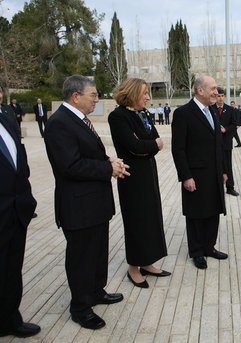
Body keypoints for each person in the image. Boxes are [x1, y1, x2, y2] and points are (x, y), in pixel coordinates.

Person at [44, 75, 129, 330]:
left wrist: (109, 163)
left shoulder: (78, 119)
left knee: (98, 251)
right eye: (93, 95)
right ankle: (80, 307)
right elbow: (69, 165)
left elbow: (87, 155)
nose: (97, 99)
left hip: (95, 204)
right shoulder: (60, 123)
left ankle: (95, 291)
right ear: (75, 96)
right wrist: (107, 168)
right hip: (78, 206)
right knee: (81, 258)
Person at [108, 78, 170, 288]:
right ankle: (133, 268)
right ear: (133, 93)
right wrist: (148, 145)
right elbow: (134, 145)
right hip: (132, 177)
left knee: (151, 218)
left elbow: (154, 140)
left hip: (148, 172)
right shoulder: (118, 116)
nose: (147, 97)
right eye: (144, 93)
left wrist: (148, 145)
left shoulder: (141, 114)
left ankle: (148, 262)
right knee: (136, 221)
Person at [171, 76, 228, 270]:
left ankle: (209, 247)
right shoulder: (183, 113)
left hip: (214, 173)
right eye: (212, 89)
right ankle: (196, 251)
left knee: (213, 211)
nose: (216, 92)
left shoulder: (213, 110)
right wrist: (186, 176)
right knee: (196, 214)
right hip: (195, 175)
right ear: (200, 90)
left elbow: (218, 143)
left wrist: (224, 170)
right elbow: (178, 149)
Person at [0, 100, 40, 338]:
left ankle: (9, 319)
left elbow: (18, 159)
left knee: (12, 269)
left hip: (16, 210)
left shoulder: (5, 117)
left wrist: (26, 197)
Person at [212, 87, 240, 196]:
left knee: (227, 165)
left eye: (222, 96)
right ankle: (216, 187)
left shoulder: (230, 110)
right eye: (218, 96)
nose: (220, 98)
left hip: (226, 142)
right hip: (214, 143)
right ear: (215, 96)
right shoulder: (210, 109)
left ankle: (230, 187)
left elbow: (235, 124)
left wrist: (226, 130)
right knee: (215, 165)